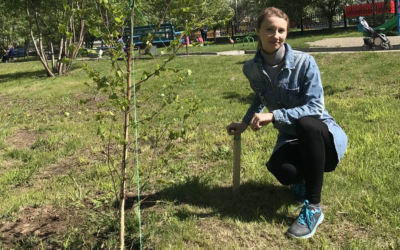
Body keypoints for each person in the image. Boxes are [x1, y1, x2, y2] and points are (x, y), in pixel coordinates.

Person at [226, 7, 347, 239]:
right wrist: (244, 123)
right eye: (269, 29)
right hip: (290, 138)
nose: (276, 36)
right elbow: (259, 95)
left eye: (281, 30)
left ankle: (313, 208)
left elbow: (315, 108)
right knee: (282, 171)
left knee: (306, 123)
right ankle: (301, 179)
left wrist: (274, 116)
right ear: (258, 31)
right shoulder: (250, 69)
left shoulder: (305, 62)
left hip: (321, 136)